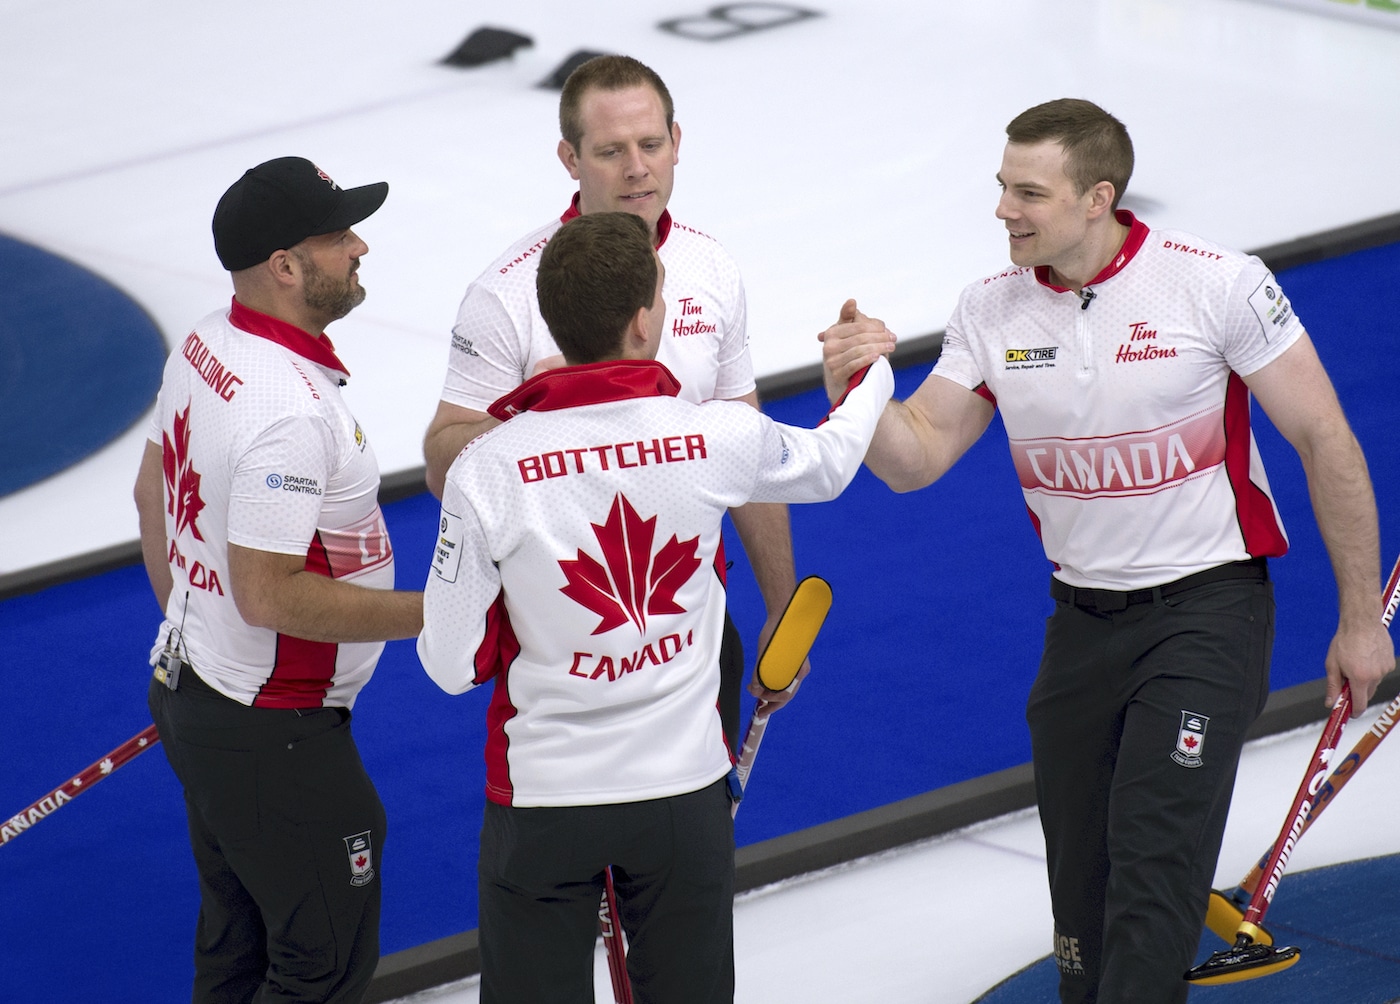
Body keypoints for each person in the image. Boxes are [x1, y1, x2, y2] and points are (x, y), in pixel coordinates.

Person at [819, 98, 1394, 1002]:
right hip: (1080, 628)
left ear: (1098, 198)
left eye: (1028, 192)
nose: (1004, 209)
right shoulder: (989, 309)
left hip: (1208, 614)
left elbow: (1327, 440)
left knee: (1153, 880)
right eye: (1003, 187)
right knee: (1081, 916)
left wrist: (1362, 621)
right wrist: (860, 395)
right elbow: (916, 456)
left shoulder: (1216, 284)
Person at [416, 211, 893, 1003]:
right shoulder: (713, 436)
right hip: (682, 795)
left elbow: (448, 663)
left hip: (544, 802)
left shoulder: (486, 469)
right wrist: (869, 369)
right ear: (645, 320)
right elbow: (835, 462)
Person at [421, 54, 801, 751]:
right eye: (610, 151)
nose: (636, 169)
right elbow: (442, 462)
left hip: (693, 623)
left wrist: (780, 606)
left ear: (677, 142)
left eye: (651, 145)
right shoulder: (506, 292)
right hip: (559, 638)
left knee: (694, 848)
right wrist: (534, 414)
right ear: (569, 158)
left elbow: (746, 448)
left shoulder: (710, 268)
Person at [133, 156, 424, 1004]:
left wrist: (196, 644)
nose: (359, 247)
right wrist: (439, 611)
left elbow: (151, 491)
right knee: (320, 966)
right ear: (285, 266)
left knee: (240, 944)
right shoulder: (286, 409)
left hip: (208, 699)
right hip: (274, 732)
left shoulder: (204, 341)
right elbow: (268, 593)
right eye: (337, 237)